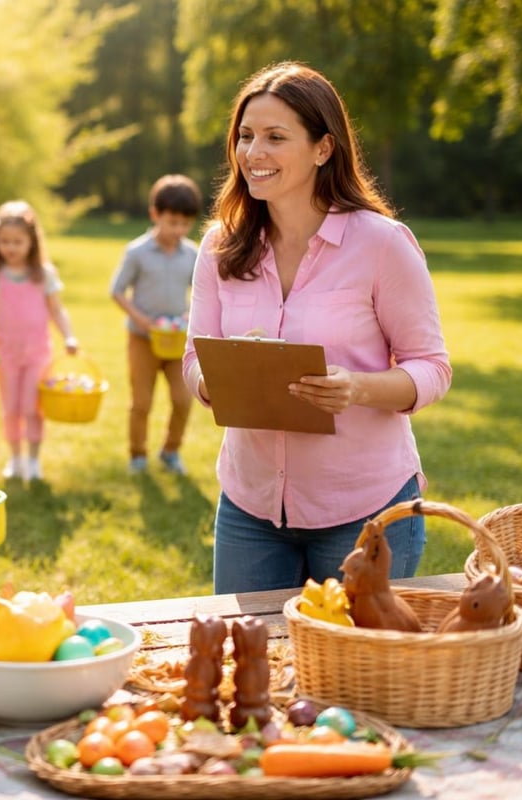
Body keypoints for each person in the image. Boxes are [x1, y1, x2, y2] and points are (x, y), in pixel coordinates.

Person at [182, 62, 451, 594]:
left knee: (352, 674)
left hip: (364, 512)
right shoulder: (219, 245)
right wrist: (220, 382)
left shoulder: (382, 244)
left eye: (275, 137)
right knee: (253, 670)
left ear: (323, 148)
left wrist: (356, 388)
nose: (253, 153)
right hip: (250, 509)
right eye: (245, 136)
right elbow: (194, 358)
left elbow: (432, 368)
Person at [0, 200, 78, 482]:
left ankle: (33, 459)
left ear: (32, 241)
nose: (10, 247)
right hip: (5, 353)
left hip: (37, 353)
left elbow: (57, 309)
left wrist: (69, 336)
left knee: (33, 407)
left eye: (17, 241)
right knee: (11, 407)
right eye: (4, 241)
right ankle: (15, 457)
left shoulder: (43, 274)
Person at [109, 174, 202, 476]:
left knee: (183, 399)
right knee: (142, 402)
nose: (178, 230)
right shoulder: (137, 252)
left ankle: (171, 451)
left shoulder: (192, 254)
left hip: (177, 342)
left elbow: (201, 294)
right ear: (155, 214)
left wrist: (190, 316)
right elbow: (116, 291)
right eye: (172, 222)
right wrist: (141, 320)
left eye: (185, 224)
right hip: (143, 340)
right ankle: (138, 454)